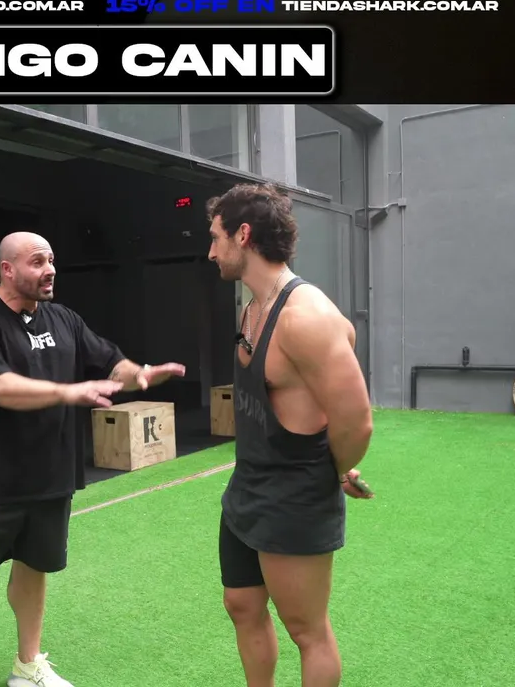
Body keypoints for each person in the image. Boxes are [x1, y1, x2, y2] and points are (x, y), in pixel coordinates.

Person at [0, 232, 186, 687]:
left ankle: (27, 664)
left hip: (51, 474)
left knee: (34, 566)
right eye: (37, 261)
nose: (50, 269)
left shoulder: (64, 319)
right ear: (7, 270)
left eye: (51, 260)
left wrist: (139, 373)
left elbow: (110, 362)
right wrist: (67, 391)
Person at [205, 183, 375, 687]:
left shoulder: (306, 317)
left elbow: (357, 420)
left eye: (215, 238)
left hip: (295, 495)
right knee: (240, 603)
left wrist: (335, 469)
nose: (211, 251)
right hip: (248, 486)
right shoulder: (252, 307)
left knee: (306, 630)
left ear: (243, 235)